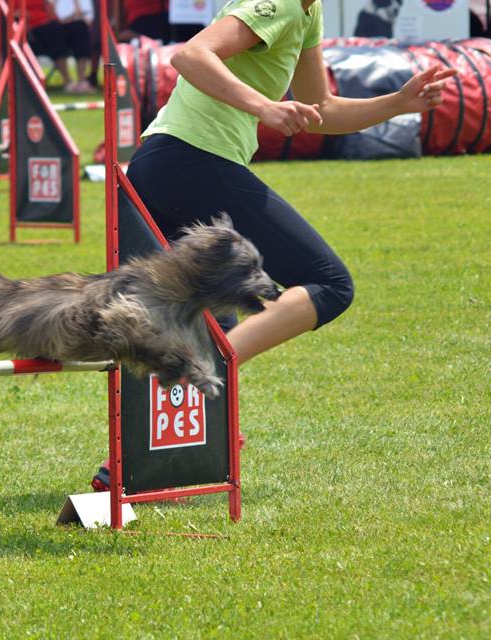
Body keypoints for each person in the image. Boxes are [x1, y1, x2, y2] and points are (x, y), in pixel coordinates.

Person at [90, 0, 456, 490]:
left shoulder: (307, 10)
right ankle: (199, 374)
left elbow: (320, 109)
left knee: (211, 318)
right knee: (330, 284)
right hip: (193, 161)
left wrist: (397, 103)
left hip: (162, 166)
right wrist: (264, 106)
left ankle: (133, 466)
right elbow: (190, 55)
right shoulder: (279, 2)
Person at [25, 0, 94, 93]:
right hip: (33, 32)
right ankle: (67, 81)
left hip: (52, 24)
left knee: (79, 26)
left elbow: (52, 13)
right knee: (54, 30)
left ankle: (82, 81)